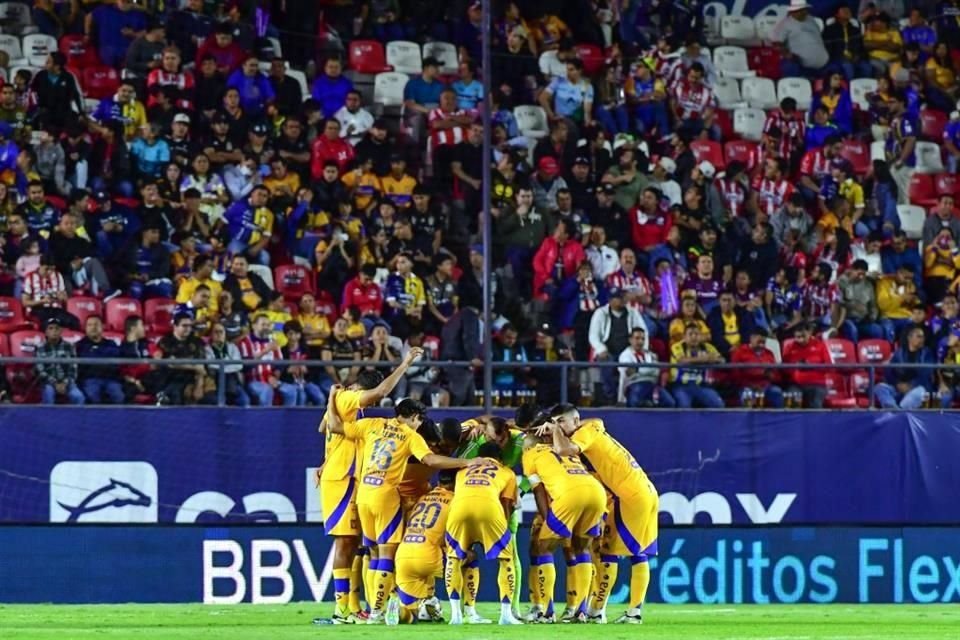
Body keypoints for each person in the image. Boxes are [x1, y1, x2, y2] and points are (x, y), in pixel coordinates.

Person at [324, 392, 477, 624]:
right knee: (387, 553)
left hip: (364, 493)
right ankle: (378, 611)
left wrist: (332, 397)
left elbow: (334, 425)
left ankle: (372, 607)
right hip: (387, 496)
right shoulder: (410, 435)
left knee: (372, 552)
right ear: (414, 417)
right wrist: (467, 462)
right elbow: (431, 460)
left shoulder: (372, 424)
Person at [549, 405, 660, 624]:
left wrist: (554, 430)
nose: (559, 426)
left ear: (575, 420)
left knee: (610, 552)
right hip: (644, 491)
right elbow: (597, 418)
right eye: (556, 421)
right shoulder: (593, 426)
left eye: (562, 421)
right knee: (639, 553)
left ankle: (599, 611)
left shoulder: (583, 433)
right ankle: (630, 612)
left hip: (630, 496)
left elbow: (564, 450)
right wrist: (563, 425)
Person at [521, 417, 607, 623]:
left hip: (569, 496)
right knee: (581, 549)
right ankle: (581, 611)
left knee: (543, 548)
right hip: (596, 492)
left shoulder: (530, 455)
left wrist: (547, 518)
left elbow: (539, 492)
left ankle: (547, 612)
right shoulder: (563, 449)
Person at [443, 443, 522, 626]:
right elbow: (508, 503)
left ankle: (456, 615)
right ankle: (506, 615)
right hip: (489, 509)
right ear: (499, 458)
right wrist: (504, 531)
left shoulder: (463, 470)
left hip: (458, 510)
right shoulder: (506, 472)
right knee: (506, 559)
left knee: (454, 558)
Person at [392, 471, 456, 624]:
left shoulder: (422, 498)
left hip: (403, 555)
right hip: (428, 556)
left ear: (439, 483)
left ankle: (400, 609)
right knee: (467, 560)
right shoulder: (455, 501)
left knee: (409, 617)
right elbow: (455, 536)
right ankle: (468, 612)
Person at [588, 288, 648, 402]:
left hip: (628, 351)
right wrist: (600, 349)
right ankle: (610, 397)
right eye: (618, 298)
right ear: (610, 300)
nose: (622, 300)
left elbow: (644, 331)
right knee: (606, 362)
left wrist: (642, 349)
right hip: (608, 351)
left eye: (623, 297)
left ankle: (629, 399)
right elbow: (593, 335)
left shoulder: (632, 312)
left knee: (635, 365)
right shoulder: (601, 313)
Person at [237, 313, 297, 407]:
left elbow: (280, 364)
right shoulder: (245, 342)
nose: (266, 327)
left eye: (268, 325)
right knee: (267, 390)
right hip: (253, 381)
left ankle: (286, 420)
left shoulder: (272, 342)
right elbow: (245, 366)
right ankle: (266, 420)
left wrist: (275, 376)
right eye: (263, 324)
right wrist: (265, 351)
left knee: (291, 391)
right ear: (254, 326)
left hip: (271, 379)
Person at [154, 312, 208, 405]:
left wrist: (199, 385)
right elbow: (171, 364)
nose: (188, 329)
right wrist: (193, 367)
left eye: (190, 326)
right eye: (184, 326)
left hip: (192, 378)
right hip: (170, 378)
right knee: (175, 391)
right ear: (175, 326)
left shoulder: (197, 342)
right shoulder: (166, 342)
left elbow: (201, 366)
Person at [873, 326, 934, 409]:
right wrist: (897, 384)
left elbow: (926, 373)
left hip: (917, 388)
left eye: (923, 337)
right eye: (919, 336)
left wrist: (911, 386)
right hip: (899, 388)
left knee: (920, 392)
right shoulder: (900, 352)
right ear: (910, 338)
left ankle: (897, 414)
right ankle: (892, 408)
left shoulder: (926, 353)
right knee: (879, 387)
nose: (922, 339)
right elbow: (889, 371)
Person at [668, 322, 725, 408]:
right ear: (684, 337)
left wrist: (712, 359)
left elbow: (722, 360)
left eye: (697, 334)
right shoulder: (677, 346)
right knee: (684, 406)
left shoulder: (708, 347)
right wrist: (704, 359)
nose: (694, 337)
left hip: (702, 386)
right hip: (681, 386)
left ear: (701, 336)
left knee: (719, 405)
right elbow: (682, 361)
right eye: (690, 334)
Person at [618, 327, 674, 407]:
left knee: (670, 402)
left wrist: (639, 370)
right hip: (635, 384)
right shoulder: (625, 355)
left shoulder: (650, 354)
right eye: (637, 338)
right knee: (635, 402)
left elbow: (656, 372)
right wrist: (649, 369)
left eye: (643, 339)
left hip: (652, 384)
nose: (640, 342)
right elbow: (629, 372)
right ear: (630, 340)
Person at [730, 327, 785, 408]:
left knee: (777, 392)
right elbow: (735, 374)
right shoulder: (739, 352)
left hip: (766, 386)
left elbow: (776, 376)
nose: (761, 345)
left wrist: (771, 375)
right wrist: (751, 384)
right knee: (747, 394)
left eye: (763, 342)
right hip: (747, 386)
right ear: (752, 338)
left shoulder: (769, 353)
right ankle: (747, 419)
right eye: (759, 342)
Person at [35, 317, 85, 405]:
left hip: (67, 382)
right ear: (46, 332)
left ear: (61, 331)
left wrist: (65, 383)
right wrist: (55, 384)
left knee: (79, 397)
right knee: (49, 394)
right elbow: (40, 371)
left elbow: (73, 368)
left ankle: (77, 418)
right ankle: (47, 418)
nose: (54, 331)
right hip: (48, 383)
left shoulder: (69, 346)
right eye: (51, 328)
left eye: (57, 328)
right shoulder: (40, 348)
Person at [75, 316, 124, 404]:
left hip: (110, 379)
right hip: (90, 379)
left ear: (102, 327)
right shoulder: (79, 346)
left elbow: (115, 364)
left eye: (96, 324)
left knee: (118, 396)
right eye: (90, 325)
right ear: (85, 328)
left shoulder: (111, 344)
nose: (93, 327)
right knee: (92, 395)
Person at [782, 322, 831, 409]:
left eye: (803, 336)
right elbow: (784, 369)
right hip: (796, 385)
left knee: (815, 401)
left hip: (816, 385)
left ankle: (815, 422)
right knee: (792, 398)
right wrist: (795, 367)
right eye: (798, 337)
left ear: (809, 333)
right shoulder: (789, 347)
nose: (800, 340)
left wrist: (812, 366)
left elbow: (829, 367)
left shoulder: (820, 345)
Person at [205, 322, 249, 407]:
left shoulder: (232, 347)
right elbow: (211, 365)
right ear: (211, 334)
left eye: (221, 332)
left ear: (225, 334)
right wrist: (228, 365)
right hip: (215, 382)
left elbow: (238, 365)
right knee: (220, 401)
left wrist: (221, 366)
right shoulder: (207, 349)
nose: (219, 334)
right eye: (216, 332)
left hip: (233, 381)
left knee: (245, 400)